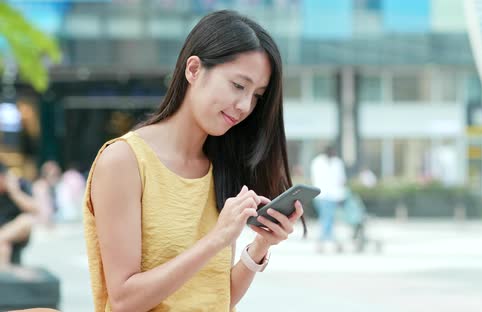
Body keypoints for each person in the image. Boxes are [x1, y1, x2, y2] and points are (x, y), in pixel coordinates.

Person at [83, 11, 305, 311]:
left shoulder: (220, 167)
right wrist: (216, 239)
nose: (244, 106)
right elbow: (124, 299)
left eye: (257, 96)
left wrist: (260, 246)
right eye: (239, 86)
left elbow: (214, 298)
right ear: (194, 69)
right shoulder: (124, 161)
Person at [0, 162, 37, 270]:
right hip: (4, 237)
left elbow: (35, 210)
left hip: (16, 230)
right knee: (3, 246)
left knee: (26, 220)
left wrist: (14, 192)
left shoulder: (20, 185)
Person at [310, 145, 346, 253]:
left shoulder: (337, 163)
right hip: (322, 195)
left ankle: (324, 242)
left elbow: (341, 180)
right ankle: (328, 242)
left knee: (327, 219)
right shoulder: (317, 162)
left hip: (333, 196)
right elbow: (316, 178)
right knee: (327, 218)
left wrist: (340, 195)